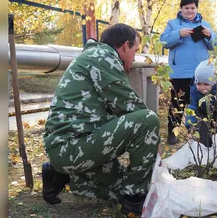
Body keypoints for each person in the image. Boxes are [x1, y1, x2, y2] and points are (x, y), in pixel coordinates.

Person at [41, 23, 160, 216]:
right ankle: (134, 198)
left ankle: (59, 174)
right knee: (148, 120)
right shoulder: (103, 57)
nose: (134, 57)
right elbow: (129, 105)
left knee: (119, 186)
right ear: (125, 46)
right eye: (135, 51)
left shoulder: (94, 56)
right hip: (72, 147)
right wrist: (154, 145)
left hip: (72, 146)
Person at [160, 0, 217, 145]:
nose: (190, 11)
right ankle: (173, 133)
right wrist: (178, 33)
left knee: (202, 104)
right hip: (179, 72)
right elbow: (164, 41)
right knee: (177, 104)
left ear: (197, 9)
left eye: (192, 8)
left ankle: (202, 134)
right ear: (181, 9)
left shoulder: (205, 24)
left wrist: (209, 35)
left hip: (201, 74)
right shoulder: (173, 24)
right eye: (186, 8)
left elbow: (215, 45)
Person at [185, 59, 217, 147]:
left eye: (206, 84)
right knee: (203, 137)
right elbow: (192, 106)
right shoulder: (194, 89)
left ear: (213, 82)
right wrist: (191, 125)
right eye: (199, 84)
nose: (202, 87)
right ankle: (205, 150)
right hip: (202, 114)